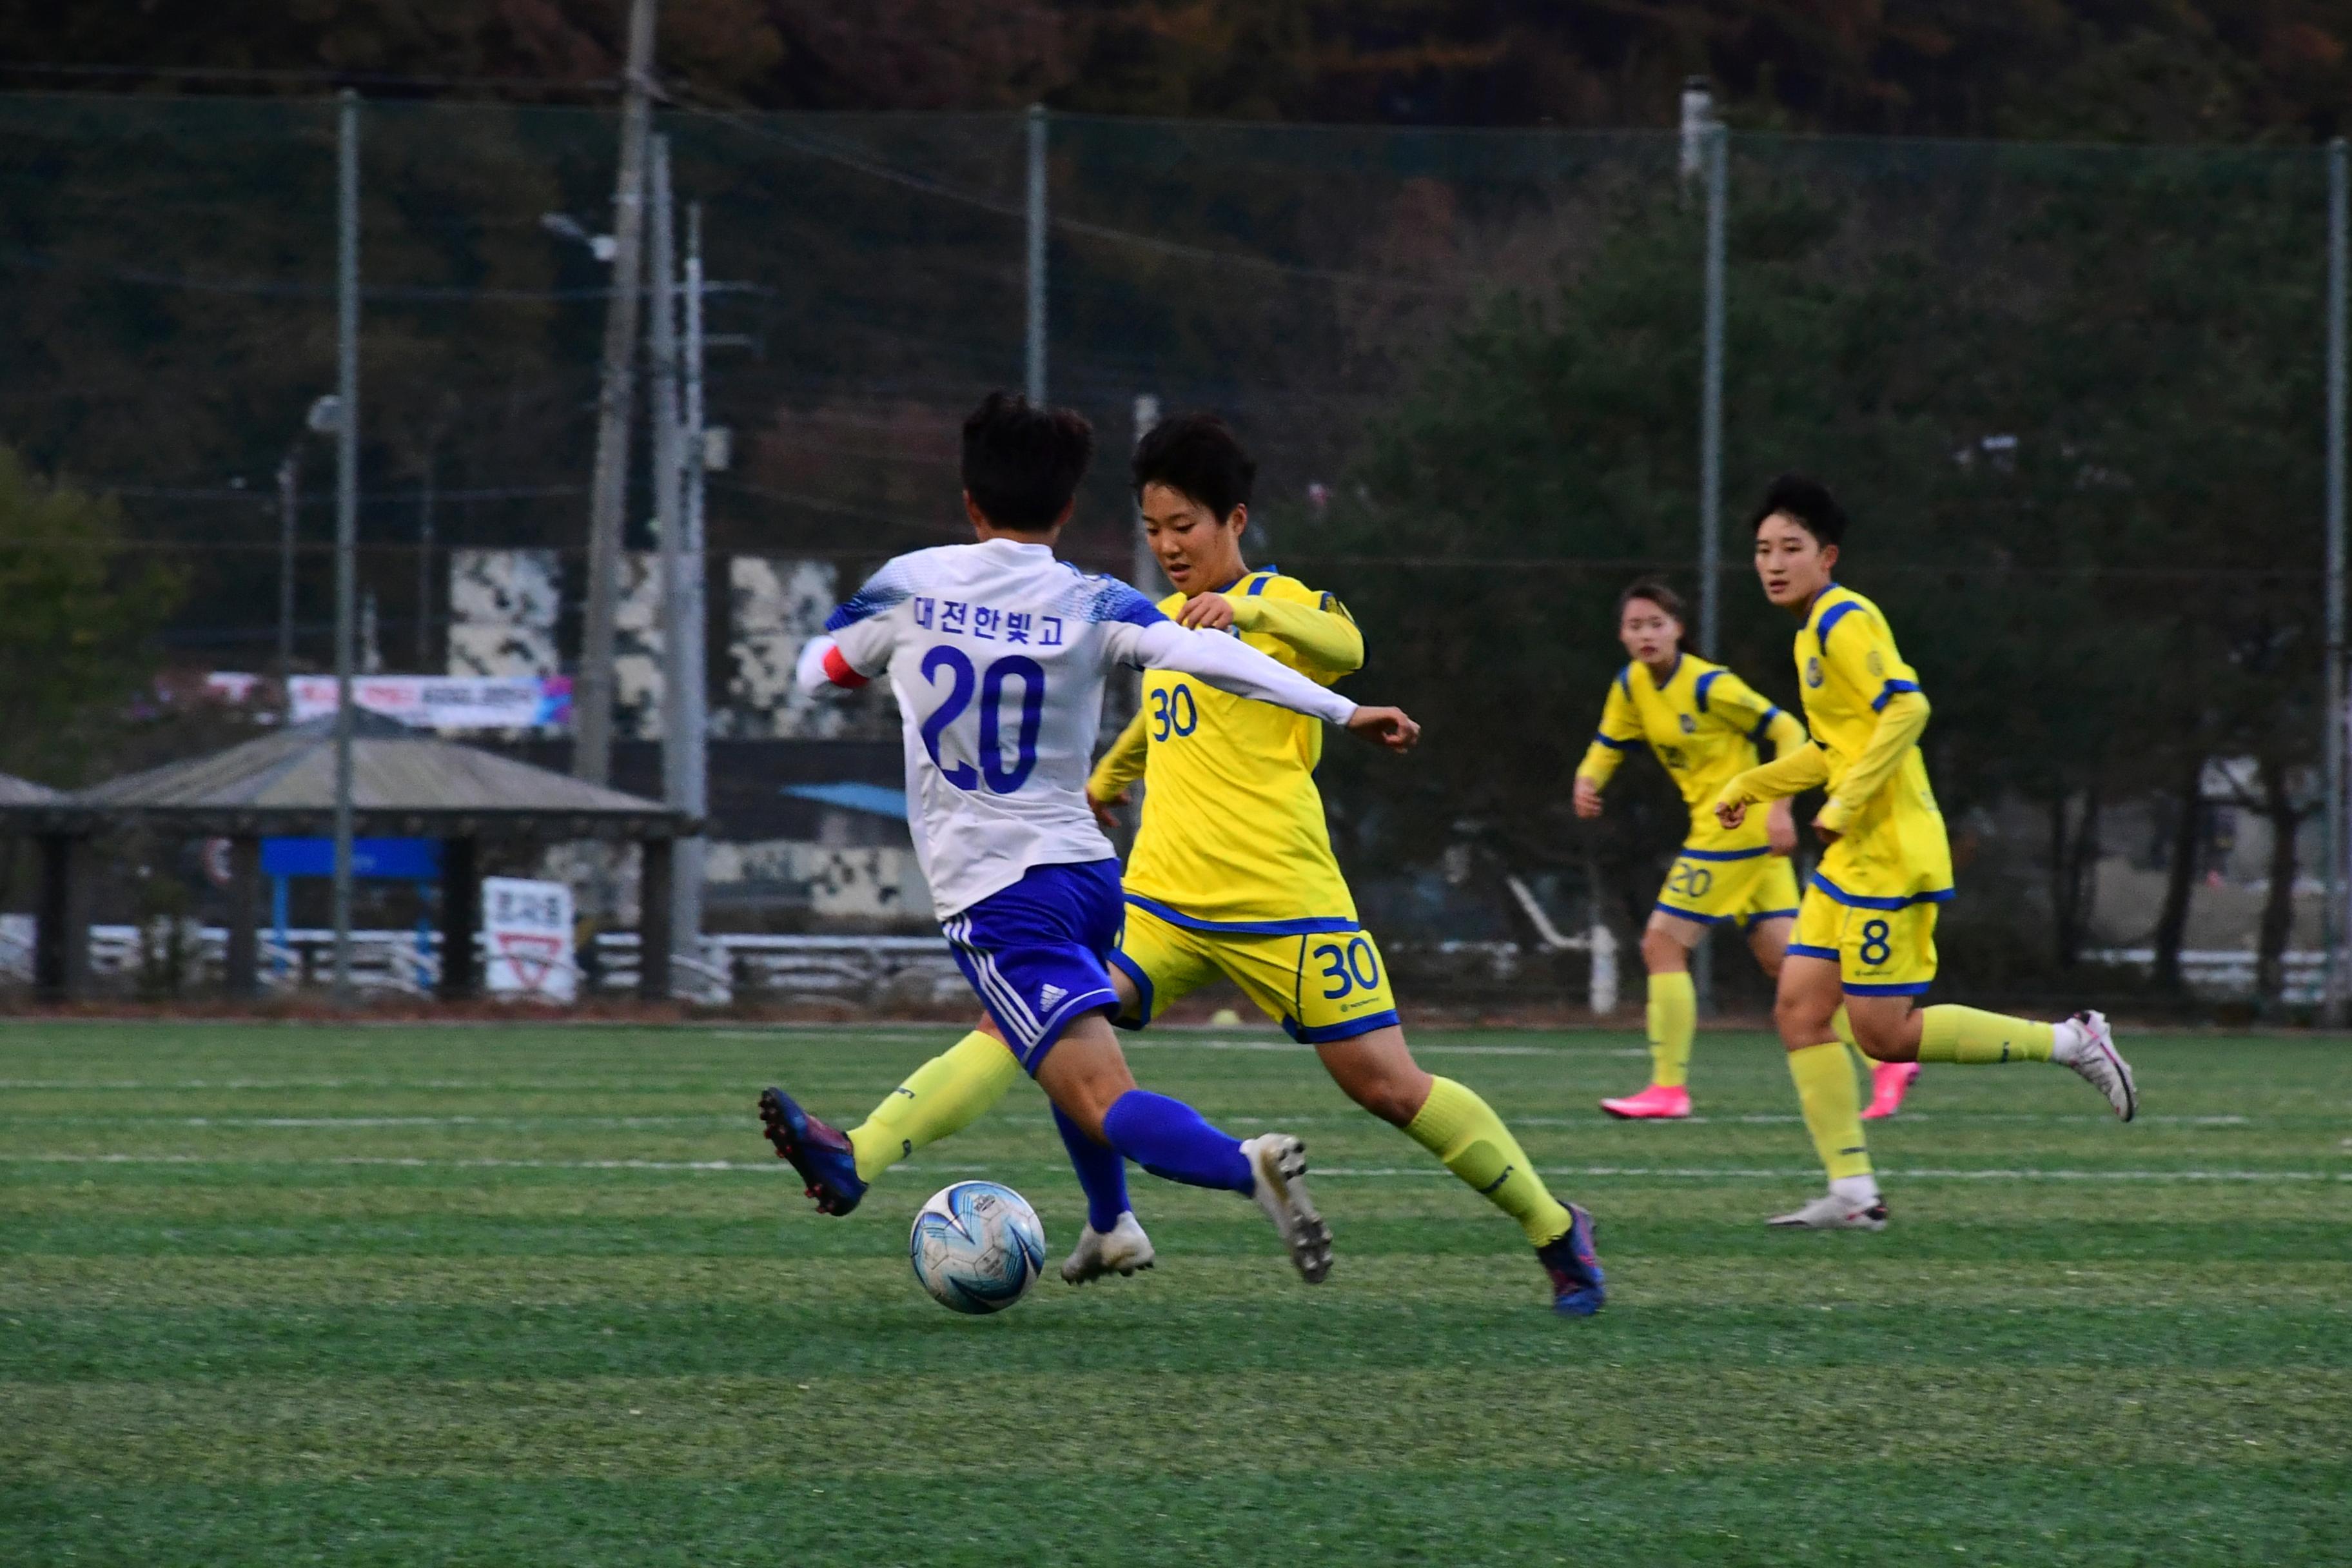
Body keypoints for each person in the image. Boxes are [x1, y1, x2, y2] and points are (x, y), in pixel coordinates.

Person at [764, 411, 1607, 1317]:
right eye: (1154, 529)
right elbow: (1163, 720)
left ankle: (1556, 1229)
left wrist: (1247, 613)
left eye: (1186, 527)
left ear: (1235, 522)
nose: (1168, 546)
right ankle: (1092, 1215)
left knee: (1390, 1088)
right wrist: (1109, 777)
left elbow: (1347, 649)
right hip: (1158, 906)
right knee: (1026, 1030)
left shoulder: (1283, 606)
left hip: (1286, 904)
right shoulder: (1152, 622)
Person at [1712, 475, 2138, 1230]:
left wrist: (1843, 803)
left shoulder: (1845, 619)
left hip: (1892, 857)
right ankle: (1852, 1193)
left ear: (1828, 555)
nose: (1773, 563)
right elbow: (1832, 749)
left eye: (1791, 548)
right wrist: (1753, 781)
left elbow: (1908, 705)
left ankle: (2073, 1040)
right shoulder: (1811, 630)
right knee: (1801, 1011)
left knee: (1885, 1036)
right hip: (1852, 858)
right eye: (1762, 550)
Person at [1574, 580, 1920, 1123]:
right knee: (1790, 965)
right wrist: (1587, 778)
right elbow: (1608, 742)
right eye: (1635, 626)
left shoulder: (1711, 685)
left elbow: (1788, 730)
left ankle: (1668, 1088)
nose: (1646, 635)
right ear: (1622, 634)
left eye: (1656, 624)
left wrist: (1779, 806)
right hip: (1730, 835)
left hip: (1734, 829)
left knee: (1662, 943)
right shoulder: (1632, 687)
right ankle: (1887, 1063)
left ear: (1678, 630)